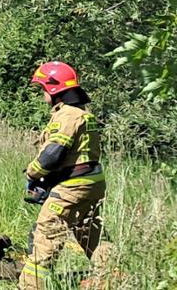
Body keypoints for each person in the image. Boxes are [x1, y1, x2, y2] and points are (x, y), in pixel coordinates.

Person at [19, 61, 112, 289]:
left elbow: (52, 155)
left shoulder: (67, 116)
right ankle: (114, 278)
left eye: (42, 88)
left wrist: (33, 174)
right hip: (91, 183)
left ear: (53, 89)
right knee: (90, 232)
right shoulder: (82, 114)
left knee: (46, 237)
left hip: (72, 186)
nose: (41, 94)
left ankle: (30, 285)